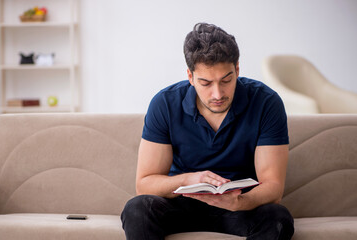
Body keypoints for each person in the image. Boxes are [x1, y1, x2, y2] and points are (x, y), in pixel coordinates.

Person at [121, 22, 294, 240]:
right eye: (205, 83)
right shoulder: (164, 104)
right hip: (182, 205)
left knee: (278, 217)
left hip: (239, 207)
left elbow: (273, 187)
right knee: (137, 208)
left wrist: (241, 202)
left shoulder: (266, 102)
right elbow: (144, 184)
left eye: (227, 80)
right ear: (190, 77)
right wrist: (188, 180)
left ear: (237, 69)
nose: (217, 93)